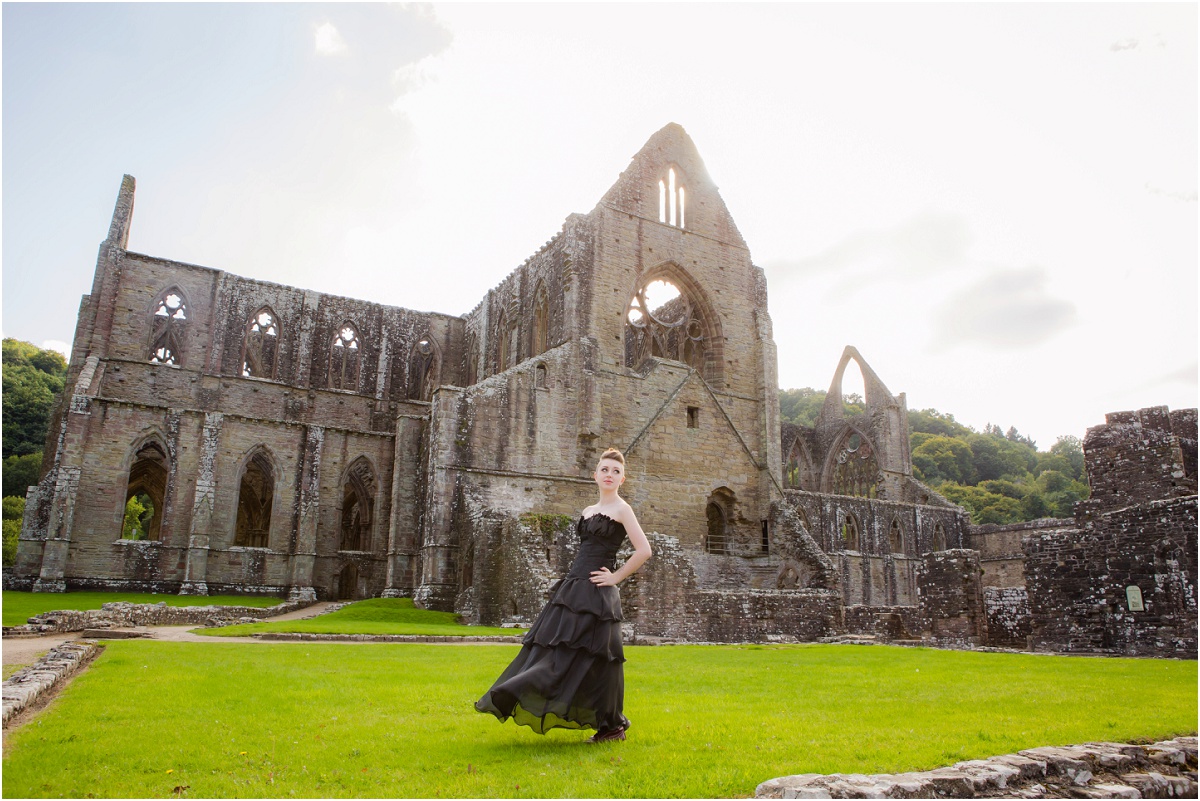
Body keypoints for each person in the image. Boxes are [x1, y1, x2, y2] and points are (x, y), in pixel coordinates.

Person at [475, 447, 652, 743]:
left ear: (623, 479)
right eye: (605, 470)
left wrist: (616, 577)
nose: (610, 475)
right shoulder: (587, 511)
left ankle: (612, 726)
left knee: (600, 660)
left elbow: (644, 550)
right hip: (572, 588)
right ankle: (524, 688)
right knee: (555, 649)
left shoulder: (623, 509)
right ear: (595, 475)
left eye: (616, 471)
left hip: (598, 592)